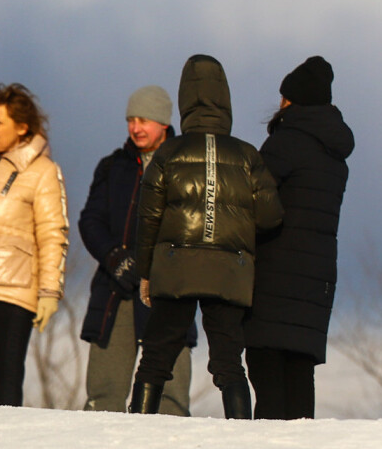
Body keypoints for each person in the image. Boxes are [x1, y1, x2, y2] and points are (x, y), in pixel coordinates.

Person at [130, 55, 283, 418]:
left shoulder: (168, 152)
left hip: (176, 266)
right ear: (225, 100)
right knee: (229, 362)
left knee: (155, 357)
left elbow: (148, 217)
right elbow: (271, 215)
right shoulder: (247, 155)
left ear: (184, 101)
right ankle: (240, 435)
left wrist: (146, 271)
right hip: (229, 271)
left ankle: (135, 431)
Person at [243, 56, 354, 419]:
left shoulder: (285, 143)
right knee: (299, 380)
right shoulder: (335, 156)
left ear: (292, 101)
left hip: (275, 275)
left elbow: (251, 201)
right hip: (316, 281)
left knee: (266, 375)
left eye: (283, 97)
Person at [79, 86, 195, 414]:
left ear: (163, 123)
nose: (135, 128)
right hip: (115, 290)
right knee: (103, 396)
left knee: (170, 398)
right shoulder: (112, 167)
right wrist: (116, 258)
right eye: (131, 119)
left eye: (144, 119)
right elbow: (91, 221)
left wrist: (159, 263)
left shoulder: (184, 164)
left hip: (168, 290)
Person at [0, 83, 69, 405]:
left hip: (10, 292)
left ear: (22, 128)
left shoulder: (43, 172)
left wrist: (49, 292)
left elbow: (53, 234)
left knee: (1, 385)